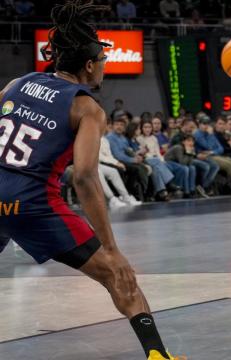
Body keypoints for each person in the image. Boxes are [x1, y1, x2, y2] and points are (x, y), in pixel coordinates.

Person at [0, 2, 185, 359]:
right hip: (33, 204)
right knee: (118, 275)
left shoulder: (17, 83)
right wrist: (112, 248)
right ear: (88, 65)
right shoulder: (87, 108)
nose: (105, 64)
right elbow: (84, 177)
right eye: (102, 59)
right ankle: (159, 356)